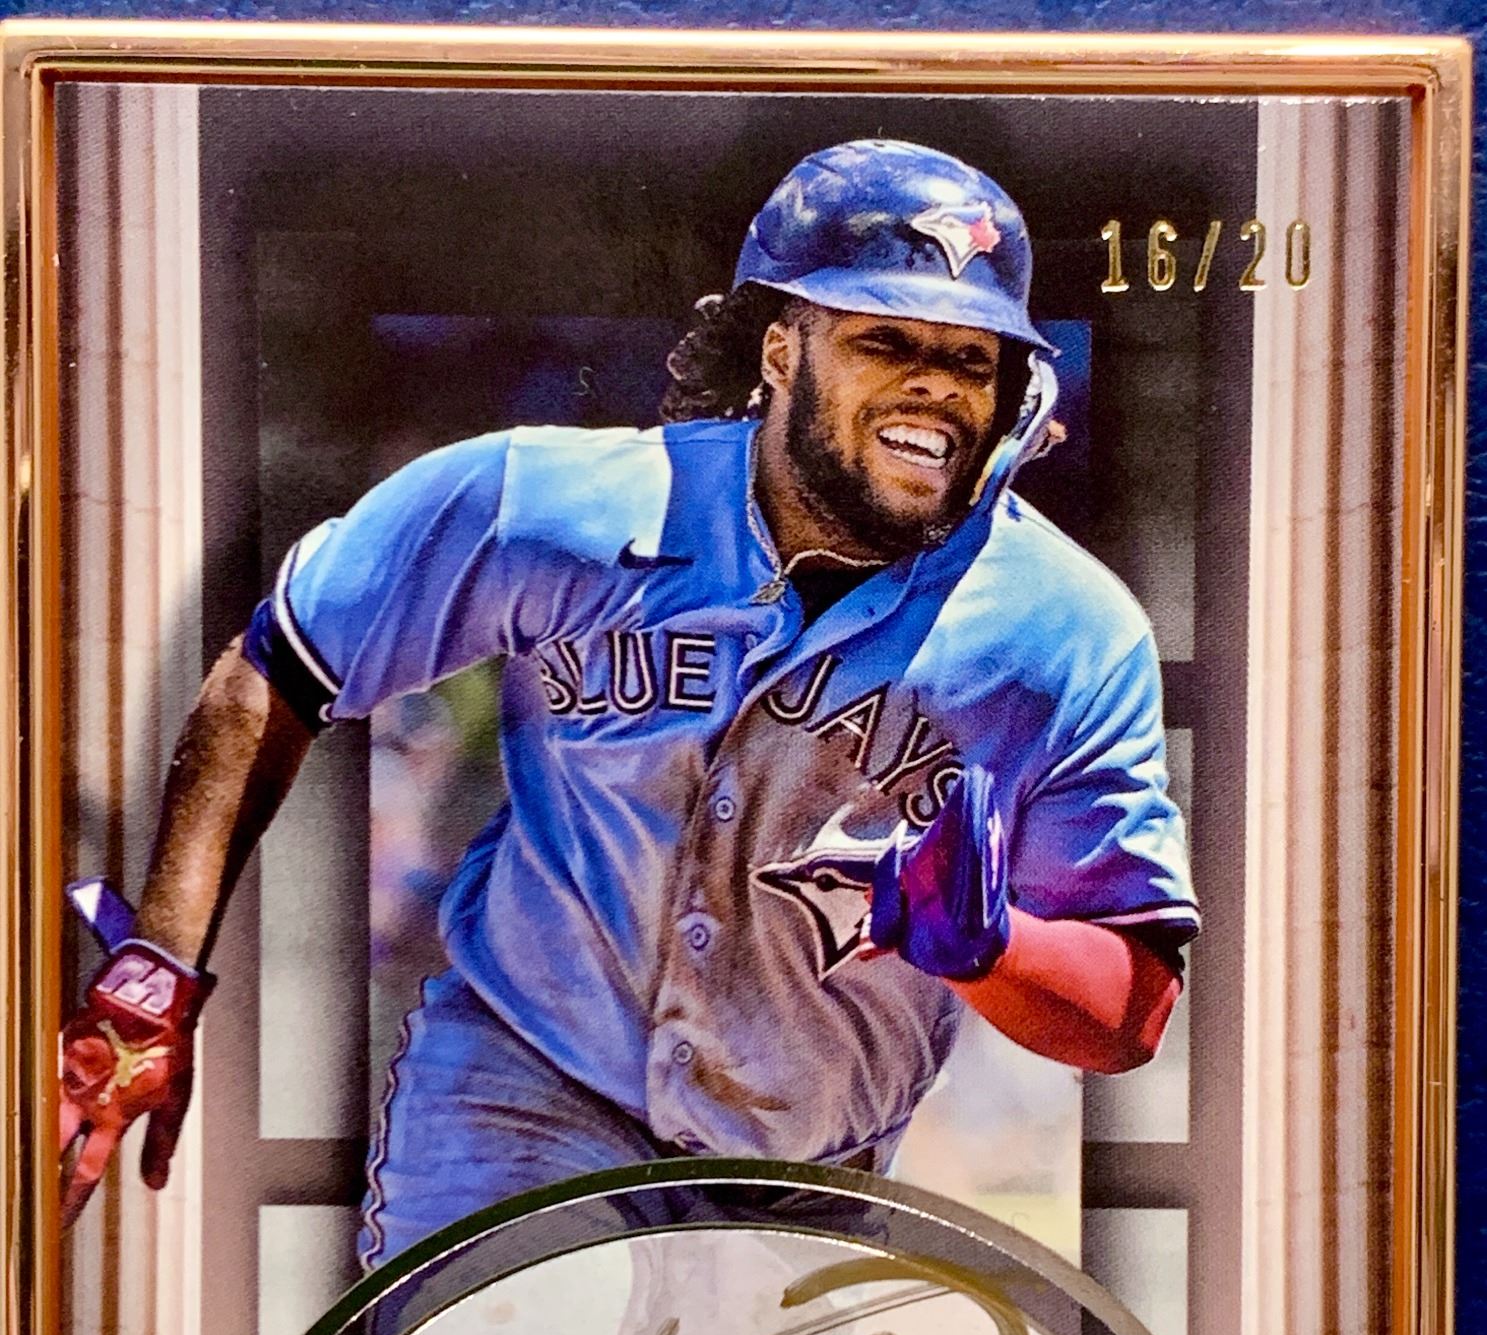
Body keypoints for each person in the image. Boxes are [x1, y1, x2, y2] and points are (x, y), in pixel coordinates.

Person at [59, 137, 1199, 1262]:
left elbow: (1132, 1009)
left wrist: (990, 947)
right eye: (884, 339)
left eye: (972, 359)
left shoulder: (1063, 629)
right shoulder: (557, 502)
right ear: (781, 350)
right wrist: (155, 971)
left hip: (804, 1181)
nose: (935, 384)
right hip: (518, 1098)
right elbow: (283, 666)